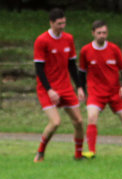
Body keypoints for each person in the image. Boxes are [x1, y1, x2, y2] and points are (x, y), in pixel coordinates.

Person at [78, 20, 122, 159]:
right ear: (93, 33)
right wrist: (80, 88)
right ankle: (92, 152)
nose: (102, 35)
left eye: (104, 33)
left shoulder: (114, 49)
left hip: (114, 92)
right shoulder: (85, 51)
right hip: (95, 92)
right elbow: (81, 72)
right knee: (92, 117)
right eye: (99, 33)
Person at [33, 8, 86, 162]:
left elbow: (71, 65)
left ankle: (78, 155)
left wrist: (80, 86)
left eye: (64, 23)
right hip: (47, 89)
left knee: (79, 122)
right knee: (56, 122)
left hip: (65, 87)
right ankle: (40, 152)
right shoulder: (42, 40)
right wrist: (49, 90)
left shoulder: (68, 39)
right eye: (59, 24)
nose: (62, 26)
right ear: (51, 23)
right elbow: (39, 69)